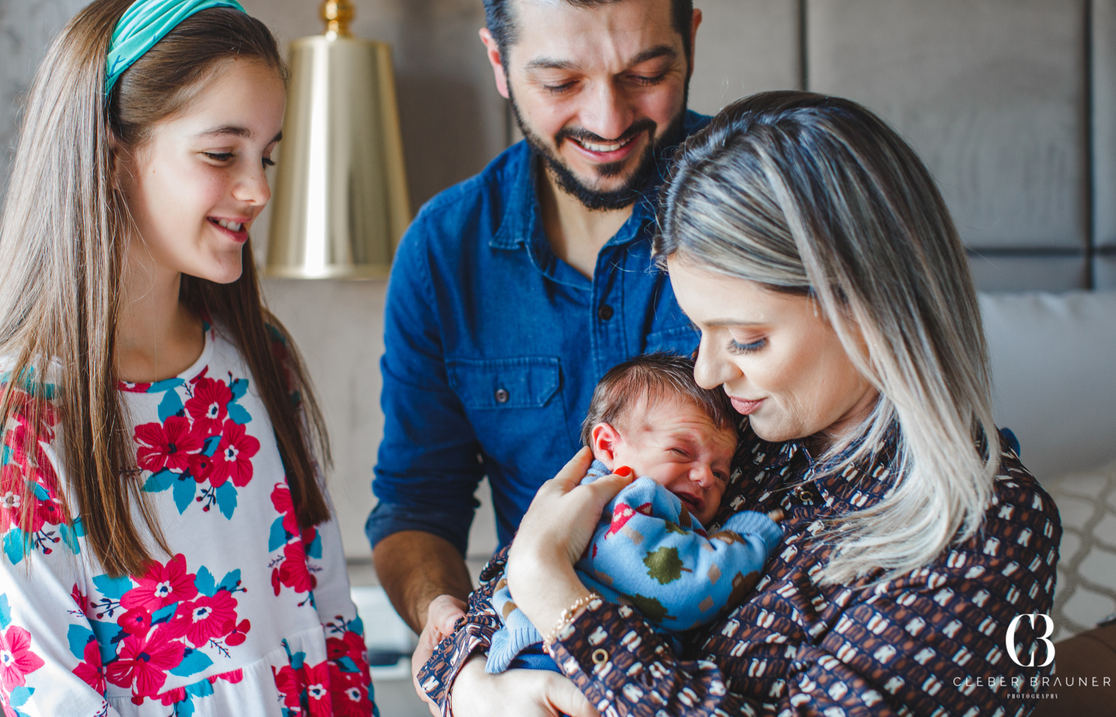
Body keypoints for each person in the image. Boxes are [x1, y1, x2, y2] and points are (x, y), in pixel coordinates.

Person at [420, 91, 1063, 715]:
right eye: (700, 329)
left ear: (871, 305)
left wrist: (559, 601)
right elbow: (498, 586)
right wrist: (471, 689)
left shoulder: (987, 530)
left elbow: (540, 565)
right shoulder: (728, 430)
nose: (707, 371)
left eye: (747, 340)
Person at [0, 0, 376, 716]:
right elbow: (55, 701)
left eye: (266, 157)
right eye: (221, 153)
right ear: (112, 154)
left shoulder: (261, 357)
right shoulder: (12, 425)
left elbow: (333, 619)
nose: (257, 190)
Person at [367, 0, 709, 687]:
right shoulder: (443, 251)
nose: (608, 121)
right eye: (560, 84)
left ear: (689, 40)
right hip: (541, 674)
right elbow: (415, 506)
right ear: (499, 62)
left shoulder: (773, 212)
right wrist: (446, 623)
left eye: (645, 74)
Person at [470, 353, 783, 676]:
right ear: (608, 447)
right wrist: (748, 537)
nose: (705, 476)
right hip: (558, 662)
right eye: (681, 451)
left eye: (720, 473)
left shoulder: (570, 503)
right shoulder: (627, 505)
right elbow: (687, 590)